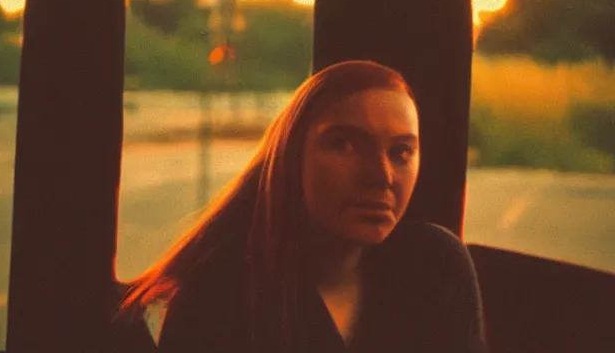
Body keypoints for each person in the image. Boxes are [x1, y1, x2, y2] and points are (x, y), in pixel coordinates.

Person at [117, 60, 486, 353]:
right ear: (292, 157)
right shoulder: (215, 299)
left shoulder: (435, 267)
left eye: (401, 152)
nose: (382, 176)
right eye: (344, 144)